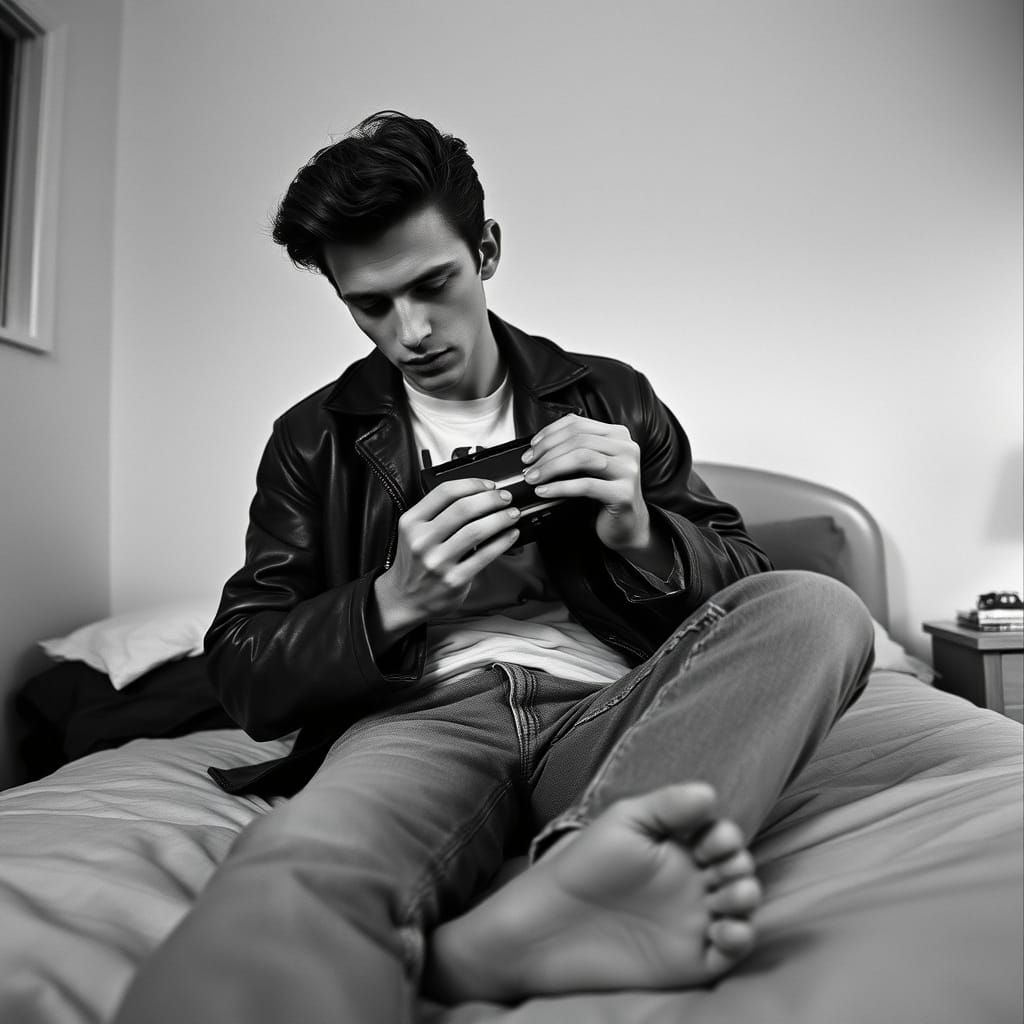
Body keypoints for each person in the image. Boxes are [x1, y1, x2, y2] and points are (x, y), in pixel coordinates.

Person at [114, 111, 874, 1023]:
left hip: (619, 710)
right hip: (423, 720)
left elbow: (746, 587)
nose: (410, 331)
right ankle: (520, 927)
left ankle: (589, 879)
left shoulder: (613, 396)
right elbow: (241, 668)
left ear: (487, 250)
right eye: (369, 305)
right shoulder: (314, 439)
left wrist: (638, 529)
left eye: (433, 284)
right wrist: (393, 600)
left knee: (821, 608)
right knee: (302, 865)